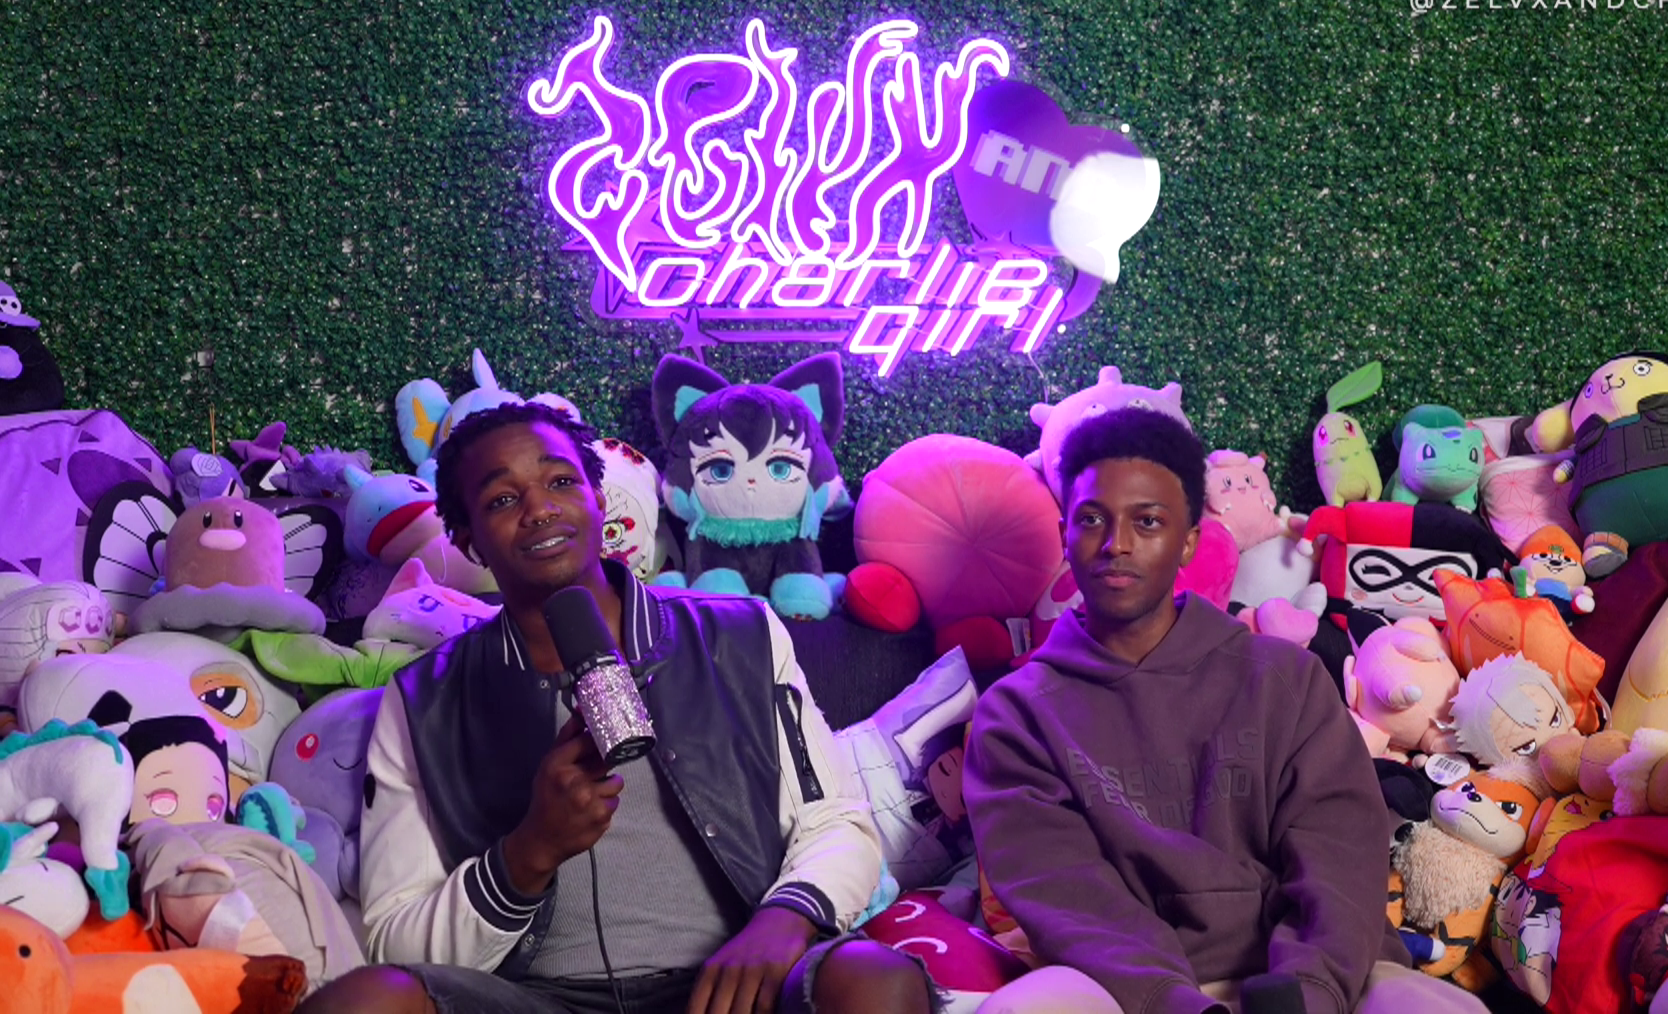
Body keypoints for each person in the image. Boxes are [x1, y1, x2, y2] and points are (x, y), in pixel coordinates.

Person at [301, 403, 931, 1014]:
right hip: (537, 998)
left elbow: (836, 821)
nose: (539, 509)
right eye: (501, 500)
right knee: (365, 1001)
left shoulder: (743, 635)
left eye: (560, 482)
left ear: (599, 500)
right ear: (467, 541)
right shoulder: (424, 699)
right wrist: (526, 854)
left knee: (873, 978)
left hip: (732, 986)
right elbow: (393, 938)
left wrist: (785, 918)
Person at [963, 408, 1489, 1014]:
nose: (1117, 544)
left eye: (1148, 521)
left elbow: (1338, 852)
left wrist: (1308, 992)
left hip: (1319, 978)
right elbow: (1068, 896)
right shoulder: (1016, 716)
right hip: (1130, 991)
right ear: (1064, 533)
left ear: (1189, 540)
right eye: (1091, 519)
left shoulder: (1284, 677)